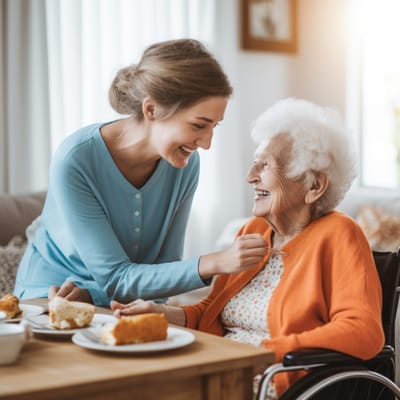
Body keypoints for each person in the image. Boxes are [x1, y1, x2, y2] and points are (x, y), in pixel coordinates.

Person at [110, 98, 385, 398]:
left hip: (271, 384)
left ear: (314, 185)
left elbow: (363, 332)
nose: (250, 176)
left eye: (264, 165)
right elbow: (209, 313)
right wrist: (160, 314)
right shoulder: (254, 231)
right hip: (222, 374)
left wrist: (268, 353)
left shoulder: (340, 234)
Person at [14, 38, 268, 306]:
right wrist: (216, 261)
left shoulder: (185, 162)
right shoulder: (76, 158)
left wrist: (94, 295)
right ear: (151, 109)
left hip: (122, 301)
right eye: (198, 125)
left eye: (214, 126)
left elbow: (167, 272)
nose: (206, 143)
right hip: (49, 297)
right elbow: (115, 277)